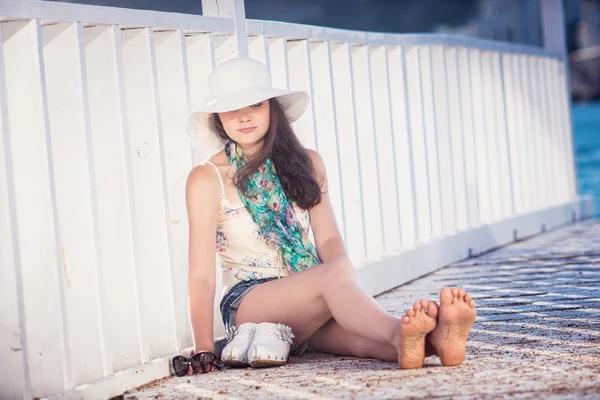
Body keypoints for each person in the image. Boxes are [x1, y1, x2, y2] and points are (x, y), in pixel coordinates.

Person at [183, 57, 477, 374]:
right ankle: (397, 330)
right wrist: (203, 349)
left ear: (272, 107)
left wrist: (337, 281)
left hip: (309, 295)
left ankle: (436, 340)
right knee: (336, 274)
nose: (243, 117)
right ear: (217, 118)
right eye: (231, 108)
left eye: (254, 104)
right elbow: (200, 275)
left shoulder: (306, 162)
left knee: (362, 340)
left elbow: (328, 238)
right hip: (250, 304)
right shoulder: (206, 177)